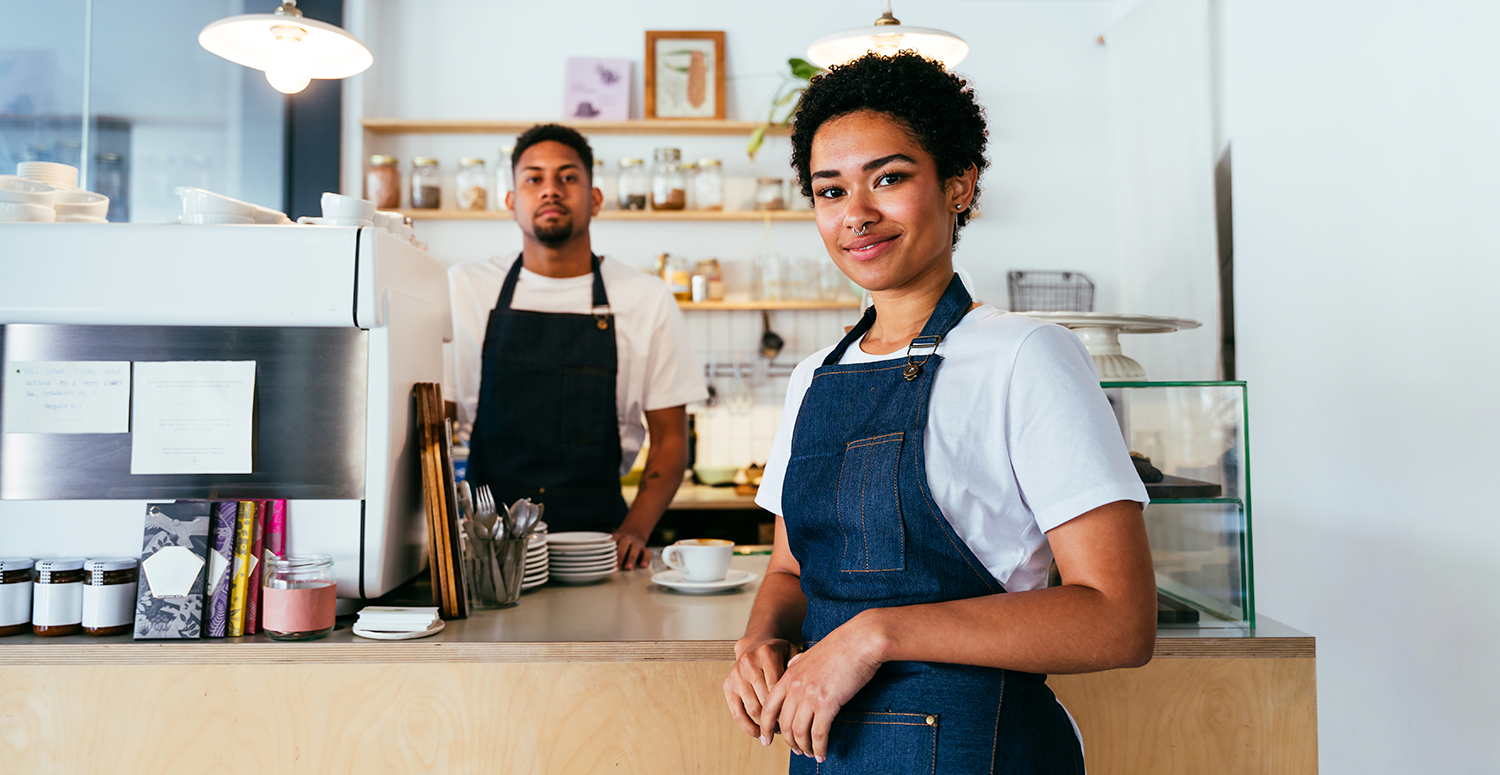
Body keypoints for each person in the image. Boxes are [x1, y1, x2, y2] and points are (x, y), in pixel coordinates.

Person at [722, 53, 1157, 773]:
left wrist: (875, 635)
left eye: (889, 178)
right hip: (830, 754)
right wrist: (760, 639)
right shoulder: (813, 378)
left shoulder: (1027, 356)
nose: (856, 213)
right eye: (831, 190)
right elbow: (790, 571)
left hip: (979, 751)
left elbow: (1118, 619)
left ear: (959, 185)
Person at [446, 124, 706, 570]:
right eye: (534, 178)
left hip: (599, 546)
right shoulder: (466, 288)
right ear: (511, 202)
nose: (551, 189)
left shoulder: (645, 297)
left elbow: (670, 439)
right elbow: (435, 423)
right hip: (488, 546)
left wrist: (635, 530)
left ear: (595, 199)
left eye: (568, 177)